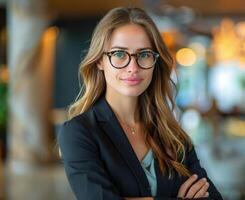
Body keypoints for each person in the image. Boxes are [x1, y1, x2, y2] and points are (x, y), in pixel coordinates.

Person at [57, 7, 222, 200]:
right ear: (100, 61)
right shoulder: (79, 133)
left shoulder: (172, 135)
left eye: (144, 54)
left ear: (155, 62)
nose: (133, 68)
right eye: (119, 54)